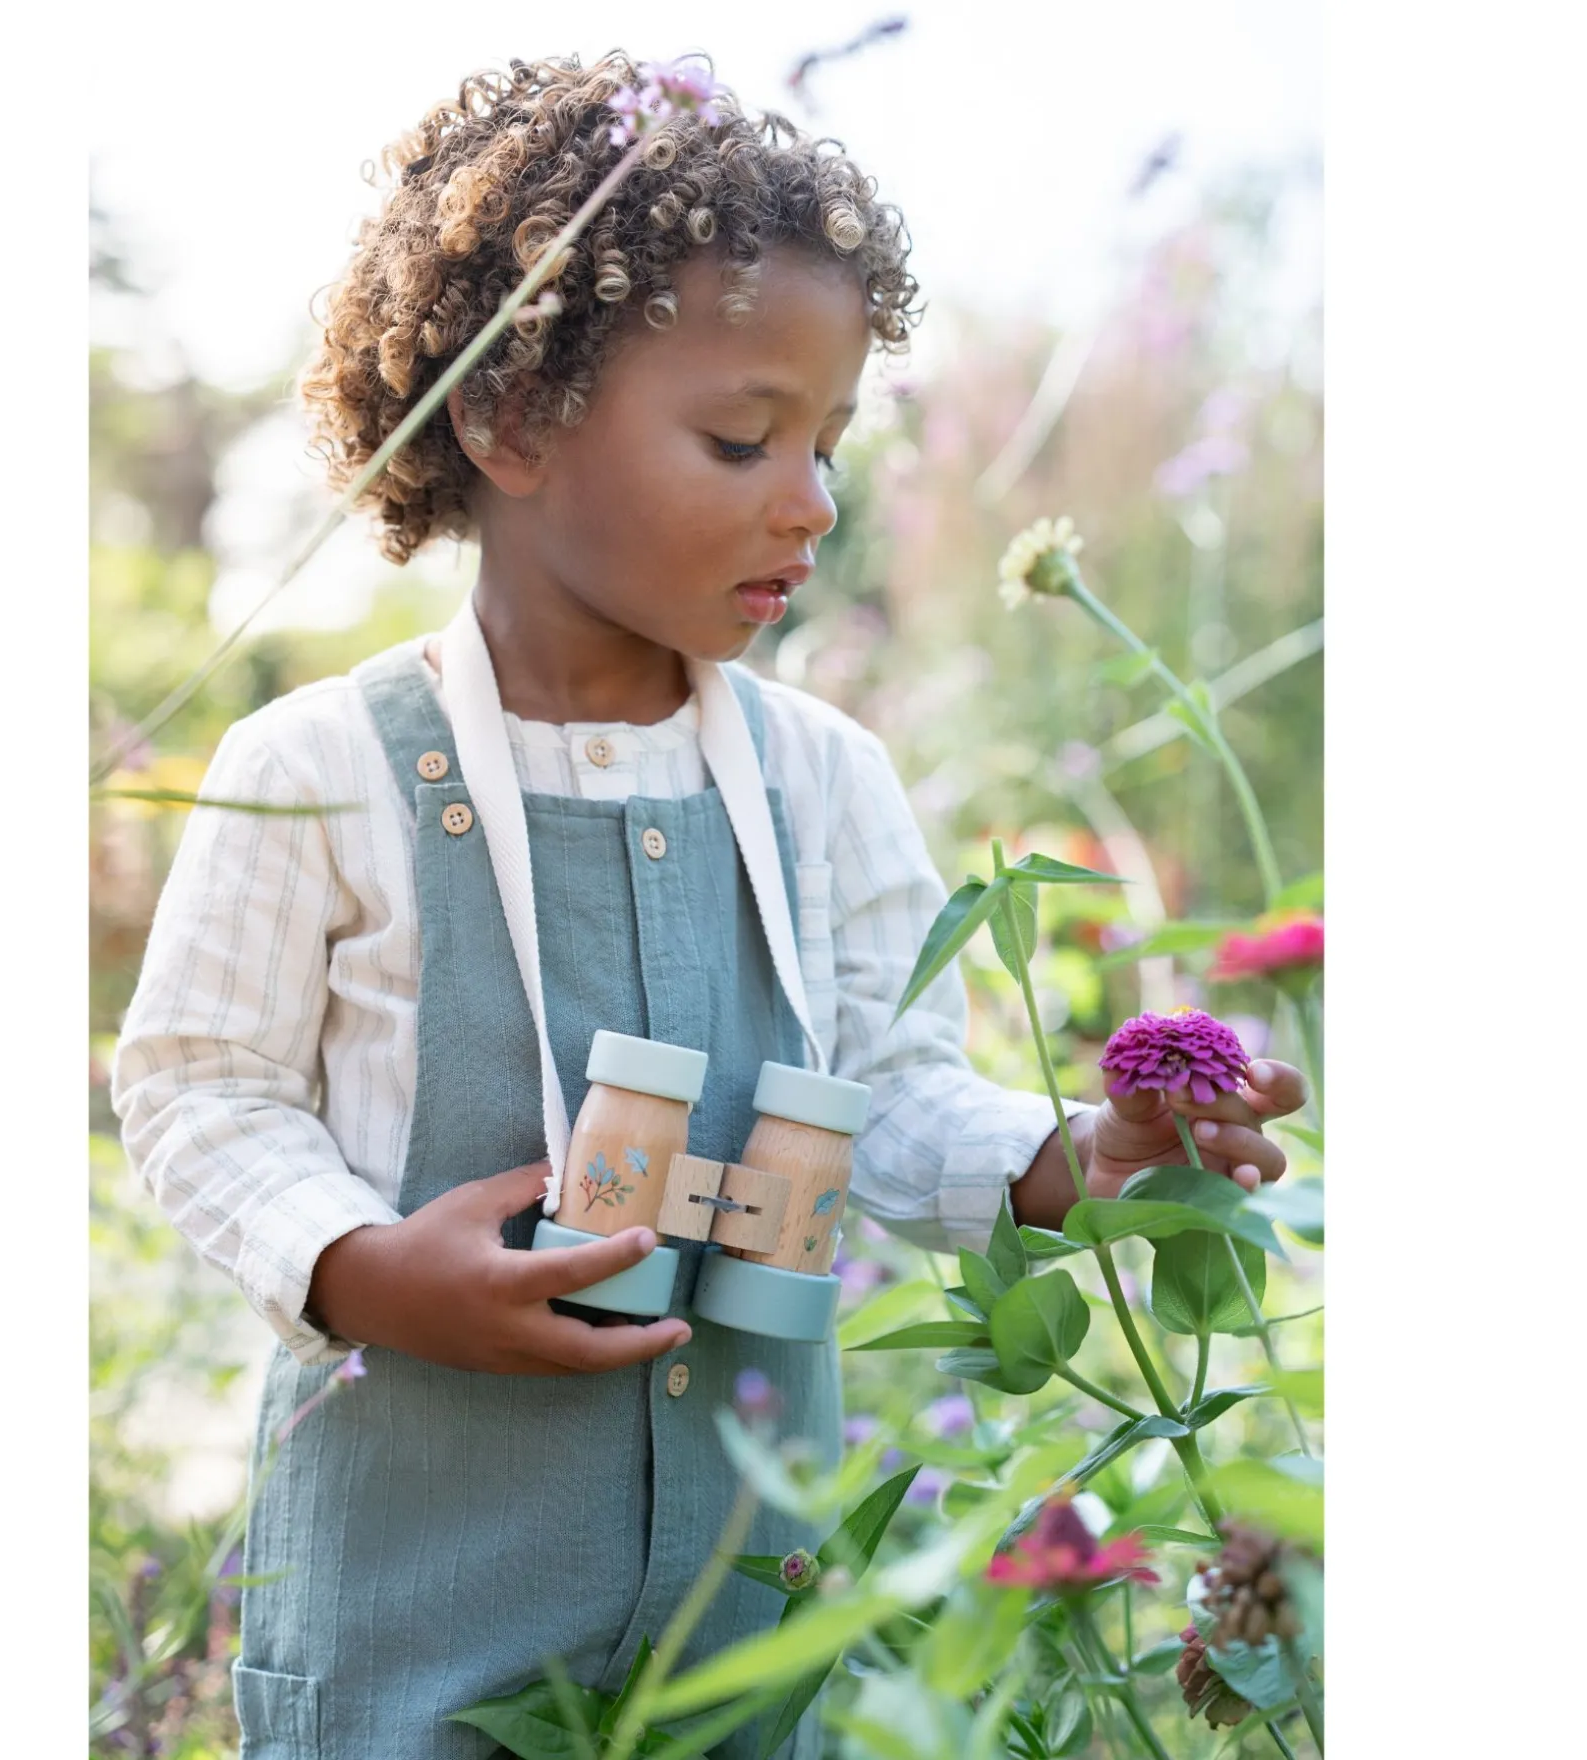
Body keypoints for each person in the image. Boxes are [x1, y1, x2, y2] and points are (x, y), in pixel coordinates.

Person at [111, 49, 1309, 1760]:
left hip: (751, 1624)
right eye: (744, 438)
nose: (811, 499)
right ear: (507, 420)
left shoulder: (824, 781)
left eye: (829, 442)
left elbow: (888, 1093)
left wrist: (1076, 1155)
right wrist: (360, 1271)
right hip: (416, 1629)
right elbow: (197, 1089)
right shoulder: (319, 767)